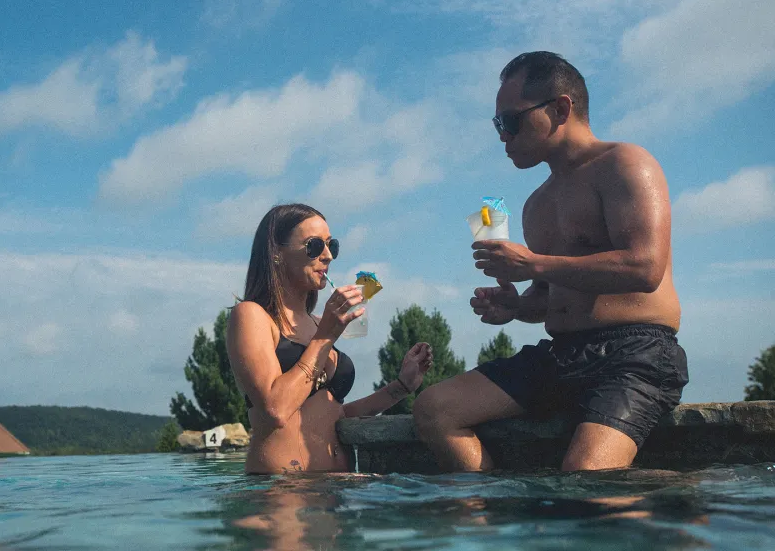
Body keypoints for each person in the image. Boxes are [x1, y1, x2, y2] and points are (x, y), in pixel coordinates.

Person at [413, 51, 688, 472]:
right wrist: (516, 306)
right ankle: (497, 522)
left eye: (510, 121)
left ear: (560, 109)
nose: (502, 135)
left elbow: (644, 268)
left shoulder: (626, 164)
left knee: (584, 481)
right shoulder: (536, 204)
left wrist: (534, 265)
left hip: (636, 353)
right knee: (435, 408)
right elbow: (548, 298)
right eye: (497, 124)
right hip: (562, 354)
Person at [227, 203, 434, 474]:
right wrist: (325, 337)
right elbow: (276, 410)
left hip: (335, 491)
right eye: (314, 246)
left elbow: (333, 416)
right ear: (276, 253)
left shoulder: (317, 324)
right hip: (282, 493)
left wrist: (400, 386)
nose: (328, 256)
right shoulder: (252, 316)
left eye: (331, 246)